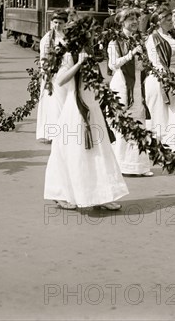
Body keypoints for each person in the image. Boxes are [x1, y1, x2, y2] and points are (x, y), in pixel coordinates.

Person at [44, 18, 129, 210]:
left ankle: (102, 195)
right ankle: (62, 193)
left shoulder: (91, 53)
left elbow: (96, 79)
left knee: (99, 151)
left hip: (93, 106)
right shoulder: (68, 54)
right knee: (72, 152)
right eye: (89, 33)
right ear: (81, 35)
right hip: (75, 108)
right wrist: (78, 64)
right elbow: (61, 80)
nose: (93, 36)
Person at [107, 8, 153, 177]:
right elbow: (113, 65)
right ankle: (122, 165)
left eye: (136, 18)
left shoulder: (139, 40)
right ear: (122, 22)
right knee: (124, 123)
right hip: (122, 85)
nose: (134, 22)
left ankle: (138, 166)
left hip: (137, 84)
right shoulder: (115, 41)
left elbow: (141, 65)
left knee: (139, 121)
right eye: (130, 19)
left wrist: (145, 62)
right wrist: (130, 54)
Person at [144, 5, 175, 153]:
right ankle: (160, 146)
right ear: (159, 21)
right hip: (160, 79)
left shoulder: (174, 36)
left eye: (172, 19)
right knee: (160, 114)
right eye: (168, 20)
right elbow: (155, 61)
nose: (172, 22)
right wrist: (167, 80)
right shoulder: (153, 38)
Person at [36, 10, 69, 143]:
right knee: (55, 102)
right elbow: (43, 58)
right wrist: (46, 73)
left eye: (60, 23)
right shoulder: (47, 39)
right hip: (53, 75)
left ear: (65, 24)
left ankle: (65, 130)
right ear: (51, 23)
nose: (57, 25)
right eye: (55, 22)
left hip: (67, 73)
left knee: (67, 101)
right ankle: (55, 133)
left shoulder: (69, 37)